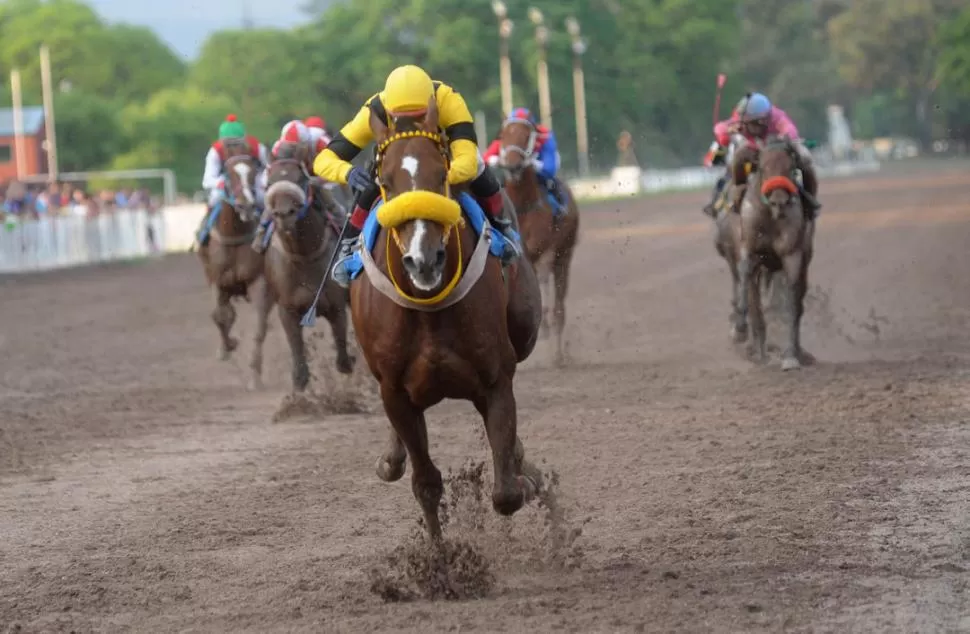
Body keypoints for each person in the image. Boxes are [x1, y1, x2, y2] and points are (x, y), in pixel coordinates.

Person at [314, 65, 518, 288]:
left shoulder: (447, 99)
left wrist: (439, 176)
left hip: (442, 159)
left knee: (480, 167)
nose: (409, 123)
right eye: (400, 119)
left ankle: (501, 226)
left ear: (432, 104)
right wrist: (348, 172)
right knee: (373, 179)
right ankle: (350, 243)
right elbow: (323, 160)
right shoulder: (375, 109)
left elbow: (467, 161)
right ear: (389, 110)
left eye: (419, 116)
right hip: (398, 162)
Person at [704, 92, 820, 217]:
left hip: (778, 151)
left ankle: (809, 201)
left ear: (762, 120)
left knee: (806, 161)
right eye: (744, 121)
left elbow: (790, 130)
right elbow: (719, 128)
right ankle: (739, 190)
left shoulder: (777, 117)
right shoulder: (741, 119)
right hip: (754, 150)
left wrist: (783, 139)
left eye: (751, 123)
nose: (745, 126)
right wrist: (727, 130)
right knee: (737, 158)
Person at [251, 119, 331, 252]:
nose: (291, 152)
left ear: (305, 144)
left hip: (318, 176)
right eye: (288, 148)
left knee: (327, 198)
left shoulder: (321, 142)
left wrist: (319, 180)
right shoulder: (278, 147)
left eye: (295, 148)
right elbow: (269, 172)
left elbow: (336, 167)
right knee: (276, 199)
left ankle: (345, 229)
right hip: (294, 179)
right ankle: (262, 231)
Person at [195, 114, 268, 248]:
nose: (233, 148)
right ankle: (204, 232)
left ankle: (267, 231)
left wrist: (261, 181)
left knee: (263, 198)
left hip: (252, 180)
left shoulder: (257, 147)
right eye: (229, 144)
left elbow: (268, 168)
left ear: (244, 139)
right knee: (215, 198)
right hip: (227, 183)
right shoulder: (215, 151)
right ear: (222, 141)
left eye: (237, 143)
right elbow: (207, 180)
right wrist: (222, 183)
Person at [483, 107, 567, 215]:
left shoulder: (545, 137)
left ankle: (560, 208)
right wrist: (495, 160)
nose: (516, 134)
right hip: (512, 171)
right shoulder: (507, 136)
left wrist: (533, 164)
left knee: (550, 182)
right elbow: (485, 159)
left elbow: (550, 169)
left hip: (540, 171)